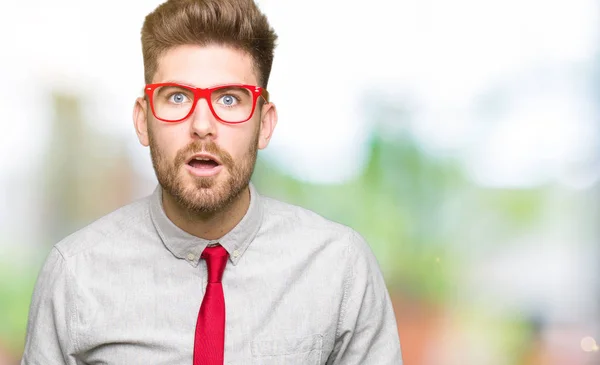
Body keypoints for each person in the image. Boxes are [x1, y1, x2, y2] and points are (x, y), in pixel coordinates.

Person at [21, 0, 403, 364]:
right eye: (176, 97)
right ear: (143, 120)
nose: (202, 126)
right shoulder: (75, 274)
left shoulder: (339, 268)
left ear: (264, 124)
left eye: (229, 100)